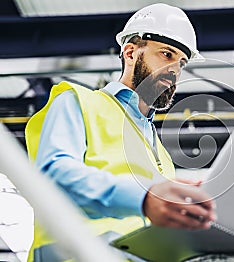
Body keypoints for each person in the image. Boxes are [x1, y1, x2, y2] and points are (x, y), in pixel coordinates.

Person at [25, 3, 217, 261]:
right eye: (166, 54)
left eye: (181, 63)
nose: (175, 70)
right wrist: (143, 199)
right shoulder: (78, 101)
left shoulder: (160, 154)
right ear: (130, 53)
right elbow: (53, 176)